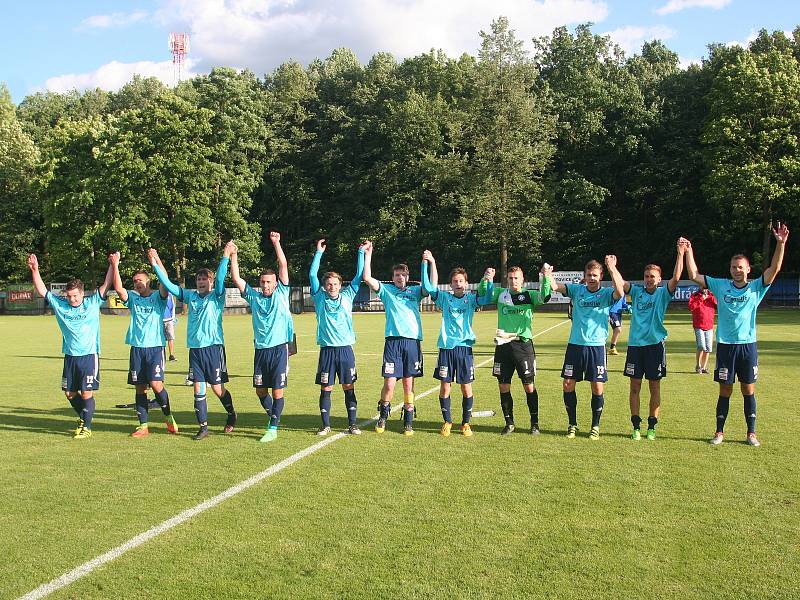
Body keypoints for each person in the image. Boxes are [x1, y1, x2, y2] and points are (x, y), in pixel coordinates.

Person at [684, 223, 789, 447]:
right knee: (725, 390)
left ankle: (751, 433)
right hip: (725, 345)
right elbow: (693, 274)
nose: (736, 270)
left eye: (740, 267)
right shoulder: (720, 285)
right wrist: (688, 250)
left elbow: (774, 269)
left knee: (748, 389)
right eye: (733, 267)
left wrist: (780, 244)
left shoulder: (756, 288)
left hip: (747, 346)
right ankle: (719, 432)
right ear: (730, 269)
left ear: (748, 269)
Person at [149, 242, 238, 441]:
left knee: (217, 388)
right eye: (198, 279)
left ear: (211, 282)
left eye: (205, 279)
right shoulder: (191, 296)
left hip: (214, 349)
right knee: (198, 389)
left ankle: (231, 414)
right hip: (195, 351)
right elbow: (170, 286)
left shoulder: (217, 296)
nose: (201, 282)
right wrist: (155, 264)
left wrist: (225, 256)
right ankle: (203, 427)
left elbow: (222, 276)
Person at [28, 254, 113, 439]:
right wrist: (35, 269)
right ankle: (84, 417)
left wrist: (113, 265)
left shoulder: (92, 303)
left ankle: (86, 427)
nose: (72, 299)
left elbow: (107, 283)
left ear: (82, 294)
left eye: (75, 296)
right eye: (69, 296)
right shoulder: (61, 306)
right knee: (69, 393)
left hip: (89, 355)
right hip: (70, 356)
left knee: (86, 392)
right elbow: (43, 290)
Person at [548, 256, 625, 440]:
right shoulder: (577, 290)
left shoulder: (606, 294)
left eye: (595, 275)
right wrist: (548, 274)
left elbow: (620, 292)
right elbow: (555, 287)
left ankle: (595, 425)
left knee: (597, 387)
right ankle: (572, 424)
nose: (592, 278)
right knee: (567, 384)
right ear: (585, 276)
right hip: (575, 345)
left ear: (600, 276)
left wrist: (612, 267)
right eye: (589, 275)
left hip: (596, 347)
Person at [230, 232, 294, 442]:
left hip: (279, 349)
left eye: (269, 282)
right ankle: (273, 416)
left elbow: (283, 265)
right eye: (263, 282)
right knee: (260, 390)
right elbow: (236, 279)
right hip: (260, 350)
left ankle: (273, 428)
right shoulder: (254, 296)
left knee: (277, 392)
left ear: (276, 283)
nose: (266, 285)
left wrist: (276, 243)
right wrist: (233, 256)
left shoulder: (281, 293)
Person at [421, 251, 492, 437]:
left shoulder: (470, 299)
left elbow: (487, 299)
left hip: (464, 349)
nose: (458, 284)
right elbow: (428, 286)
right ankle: (447, 422)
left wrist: (490, 280)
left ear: (466, 283)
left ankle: (466, 424)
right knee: (445, 387)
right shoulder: (444, 298)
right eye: (455, 281)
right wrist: (429, 263)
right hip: (446, 348)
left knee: (466, 387)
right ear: (451, 284)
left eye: (461, 281)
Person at [621, 240, 686, 441]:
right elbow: (620, 283)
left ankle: (651, 426)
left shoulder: (663, 294)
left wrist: (681, 253)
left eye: (653, 277)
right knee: (634, 387)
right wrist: (612, 267)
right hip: (635, 346)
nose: (649, 279)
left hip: (655, 346)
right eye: (647, 276)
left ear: (659, 280)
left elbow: (676, 276)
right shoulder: (636, 292)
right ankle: (635, 426)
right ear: (644, 278)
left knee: (654, 387)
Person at [109, 252, 178, 437]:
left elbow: (166, 280)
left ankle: (168, 416)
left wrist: (156, 260)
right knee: (140, 387)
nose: (137, 283)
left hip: (155, 348)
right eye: (134, 281)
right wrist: (115, 265)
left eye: (140, 280)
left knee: (156, 384)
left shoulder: (158, 297)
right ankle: (143, 426)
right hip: (137, 349)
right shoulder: (133, 298)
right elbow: (118, 288)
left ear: (148, 281)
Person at [478, 264, 552, 435]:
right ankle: (509, 422)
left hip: (523, 346)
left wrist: (546, 277)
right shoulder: (500, 294)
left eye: (516, 278)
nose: (513, 281)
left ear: (522, 279)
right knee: (503, 385)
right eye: (510, 278)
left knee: (529, 386)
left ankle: (534, 423)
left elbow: (544, 296)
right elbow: (483, 295)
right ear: (507, 280)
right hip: (503, 346)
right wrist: (486, 278)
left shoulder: (529, 295)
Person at [362, 242, 427, 436]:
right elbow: (366, 277)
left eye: (403, 275)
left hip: (412, 342)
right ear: (393, 278)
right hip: (393, 342)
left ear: (408, 277)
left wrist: (428, 262)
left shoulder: (415, 291)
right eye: (397, 275)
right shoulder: (387, 291)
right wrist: (368, 254)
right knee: (389, 383)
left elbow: (430, 286)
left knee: (408, 383)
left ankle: (408, 417)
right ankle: (384, 412)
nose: (400, 278)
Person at [309, 238, 367, 435]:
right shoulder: (319, 298)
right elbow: (311, 274)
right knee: (326, 388)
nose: (332, 286)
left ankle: (352, 424)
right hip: (326, 351)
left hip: (345, 350)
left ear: (340, 285)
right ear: (324, 286)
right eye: (329, 284)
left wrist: (361, 252)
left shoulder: (348, 295)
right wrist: (319, 253)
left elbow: (360, 275)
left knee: (348, 386)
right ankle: (325, 425)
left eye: (335, 284)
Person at [688, 287, 717, 374]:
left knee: (708, 348)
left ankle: (704, 367)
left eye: (706, 287)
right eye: (702, 286)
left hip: (709, 325)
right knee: (701, 346)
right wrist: (701, 299)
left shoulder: (712, 296)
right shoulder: (695, 296)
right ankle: (698, 365)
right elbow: (691, 307)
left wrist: (711, 297)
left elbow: (718, 304)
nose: (704, 289)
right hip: (698, 325)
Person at [163, 293, 177, 362]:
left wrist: (173, 318)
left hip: (169, 319)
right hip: (160, 320)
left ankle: (171, 355)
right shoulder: (156, 294)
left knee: (170, 338)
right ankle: (162, 355)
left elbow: (172, 307)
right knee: (161, 339)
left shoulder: (170, 295)